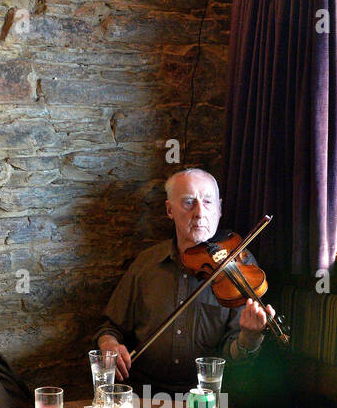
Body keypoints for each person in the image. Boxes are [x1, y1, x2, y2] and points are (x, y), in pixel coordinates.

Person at [96, 168, 277, 393]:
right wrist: (109, 344)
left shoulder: (241, 265)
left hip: (205, 397)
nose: (200, 212)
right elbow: (110, 326)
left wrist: (248, 338)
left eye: (208, 202)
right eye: (189, 202)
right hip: (143, 392)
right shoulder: (146, 263)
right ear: (170, 210)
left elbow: (237, 358)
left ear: (219, 209)